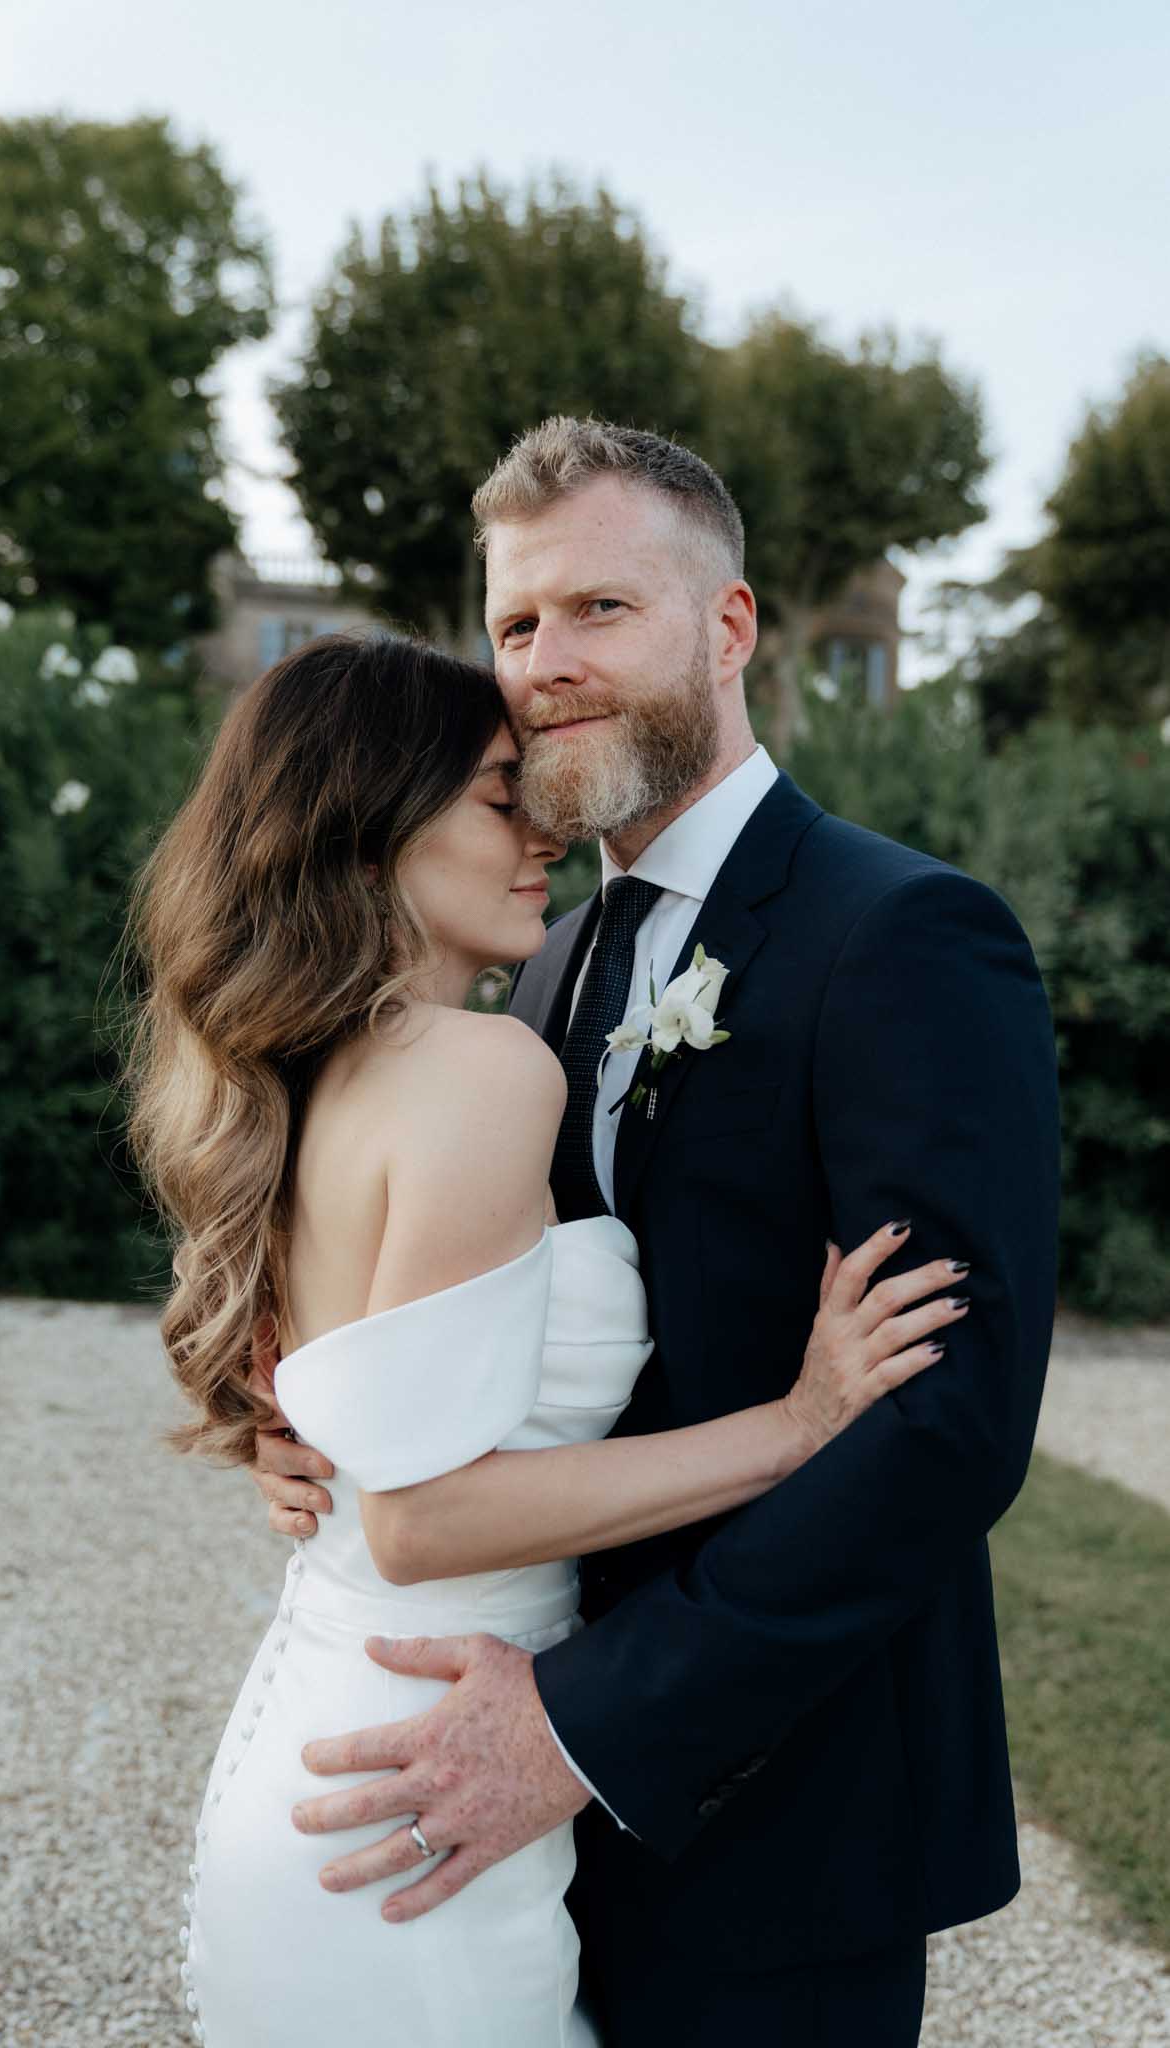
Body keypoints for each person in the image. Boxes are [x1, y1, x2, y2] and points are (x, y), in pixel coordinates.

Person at [252, 420, 1062, 2047]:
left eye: (599, 609)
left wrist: (583, 1728)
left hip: (781, 1796)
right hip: (505, 1755)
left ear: (730, 625)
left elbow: (944, 1430)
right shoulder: (540, 967)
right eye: (516, 624)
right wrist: (326, 1417)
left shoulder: (901, 936)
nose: (544, 663)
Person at [123, 629, 963, 2048]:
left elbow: (365, 1400)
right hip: (408, 1791)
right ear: (372, 823)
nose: (541, 832)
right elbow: (419, 1518)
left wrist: (303, 1439)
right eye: (497, 797)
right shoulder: (481, 1062)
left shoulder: (320, 1067)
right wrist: (798, 1423)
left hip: (343, 1750)